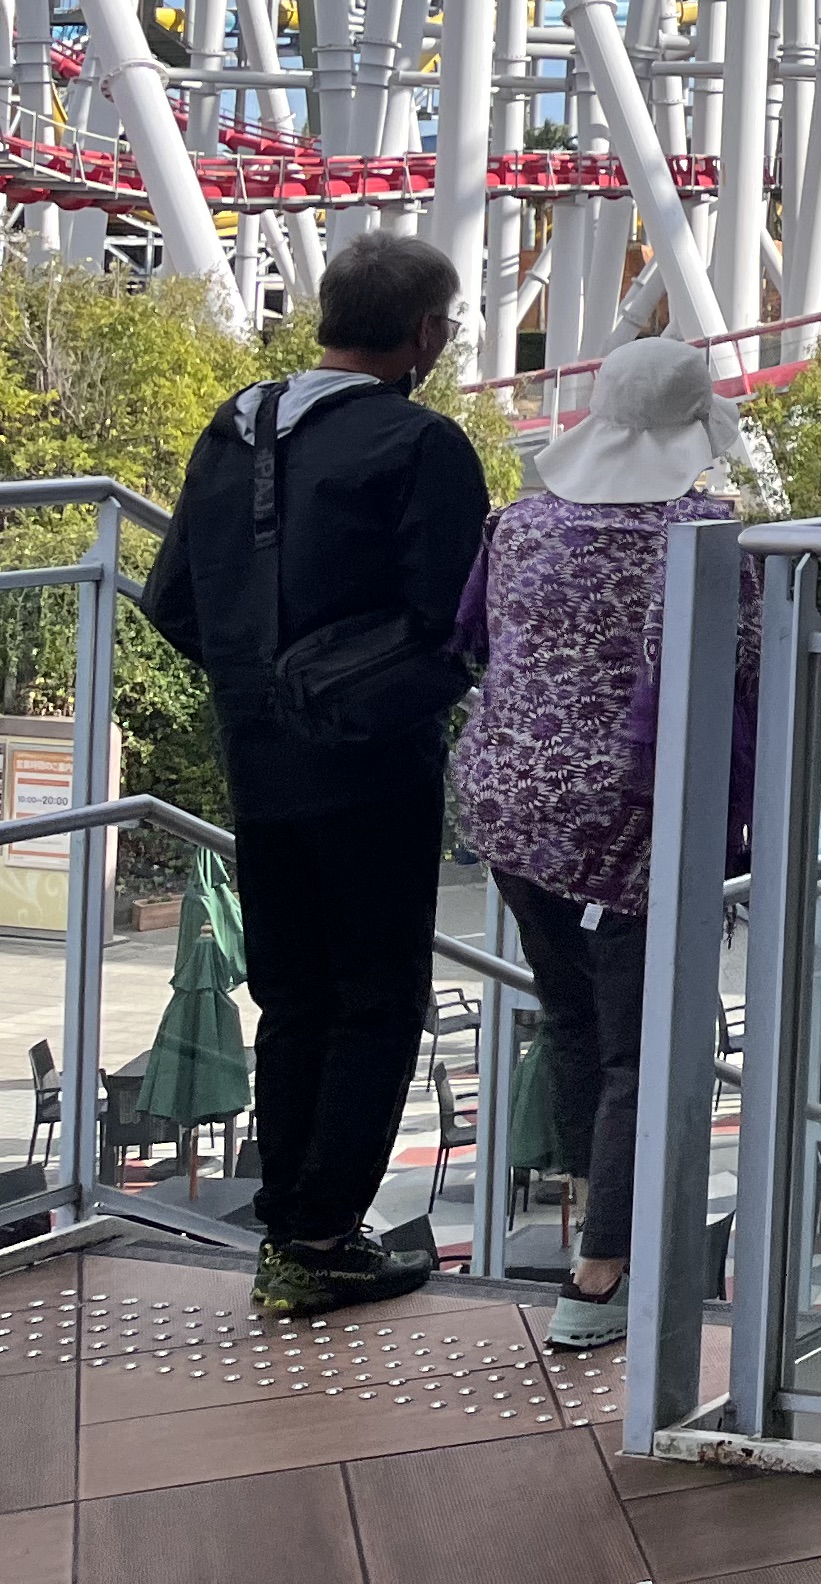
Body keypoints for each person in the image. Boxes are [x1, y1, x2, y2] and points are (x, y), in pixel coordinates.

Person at [146, 231, 490, 1319]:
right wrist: (352, 691)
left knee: (291, 993)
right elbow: (456, 622)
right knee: (377, 996)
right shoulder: (423, 444)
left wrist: (264, 684)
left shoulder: (236, 426)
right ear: (424, 333)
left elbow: (172, 601)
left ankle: (290, 1221)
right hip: (373, 765)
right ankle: (321, 1240)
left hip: (256, 758)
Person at [453, 337, 756, 1351]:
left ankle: (591, 1213)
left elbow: (485, 643)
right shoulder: (704, 537)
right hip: (625, 823)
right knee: (644, 1046)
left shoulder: (519, 523)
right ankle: (601, 1276)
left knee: (573, 1018)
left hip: (506, 810)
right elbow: (747, 673)